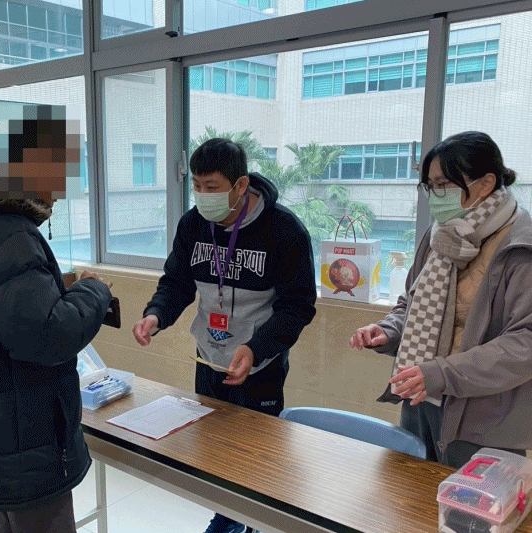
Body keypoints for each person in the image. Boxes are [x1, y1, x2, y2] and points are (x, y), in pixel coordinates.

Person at [0, 105, 113, 533]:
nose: (62, 192)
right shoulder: (11, 234)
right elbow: (47, 336)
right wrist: (94, 291)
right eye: (62, 174)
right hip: (21, 437)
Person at [133, 138, 317, 533]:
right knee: (213, 449)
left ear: (240, 185)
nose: (202, 195)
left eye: (212, 187)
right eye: (196, 186)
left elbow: (298, 306)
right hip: (209, 357)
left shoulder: (284, 230)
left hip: (258, 364)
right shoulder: (192, 224)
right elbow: (177, 282)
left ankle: (250, 522)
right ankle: (226, 516)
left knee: (254, 456)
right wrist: (155, 315)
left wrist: (257, 348)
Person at [350, 131, 532, 468]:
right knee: (410, 495)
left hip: (484, 420)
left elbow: (525, 342)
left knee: (467, 503)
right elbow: (410, 304)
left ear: (486, 183)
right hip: (422, 400)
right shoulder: (441, 235)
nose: (436, 196)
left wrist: (442, 373)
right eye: (430, 186)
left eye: (444, 185)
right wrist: (389, 330)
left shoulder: (520, 247)